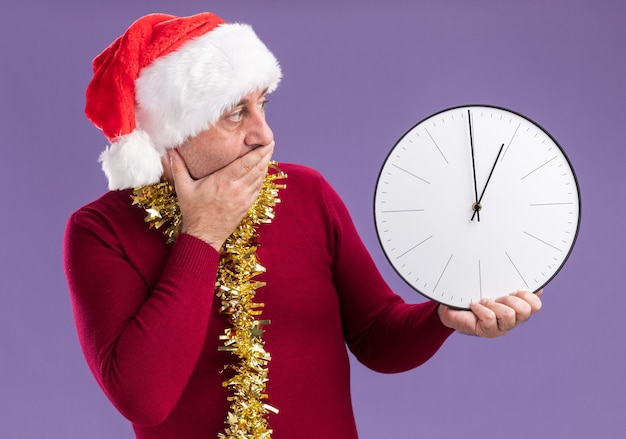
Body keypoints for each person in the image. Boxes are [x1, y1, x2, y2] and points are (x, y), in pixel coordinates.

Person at [63, 12, 542, 439]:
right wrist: (203, 234)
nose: (264, 133)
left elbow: (377, 337)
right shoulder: (100, 231)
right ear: (173, 133)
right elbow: (144, 398)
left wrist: (441, 316)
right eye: (235, 114)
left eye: (262, 104)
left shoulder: (307, 193)